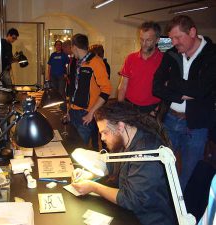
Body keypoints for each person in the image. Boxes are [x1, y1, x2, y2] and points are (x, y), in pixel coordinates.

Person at [71, 101, 176, 225]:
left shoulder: (147, 151)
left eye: (105, 132)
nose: (102, 138)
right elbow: (110, 165)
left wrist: (93, 186)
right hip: (130, 214)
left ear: (120, 126)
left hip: (149, 219)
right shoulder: (123, 141)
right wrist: (89, 175)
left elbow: (131, 199)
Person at [152, 15, 216, 190]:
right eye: (171, 38)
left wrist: (171, 84)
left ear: (193, 32)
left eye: (178, 37)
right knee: (162, 166)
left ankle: (180, 210)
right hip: (170, 119)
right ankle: (162, 202)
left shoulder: (212, 54)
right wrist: (182, 95)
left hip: (196, 125)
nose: (174, 42)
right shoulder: (171, 54)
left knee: (188, 171)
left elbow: (202, 90)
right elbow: (156, 87)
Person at [68, 33, 112, 150]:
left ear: (74, 47)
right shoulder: (77, 62)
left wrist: (91, 113)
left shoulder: (96, 62)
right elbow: (74, 88)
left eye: (71, 48)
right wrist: (69, 109)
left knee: (80, 149)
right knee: (72, 147)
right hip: (74, 112)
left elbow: (107, 89)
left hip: (85, 114)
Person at [118, 21, 163, 114]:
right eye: (141, 39)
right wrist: (120, 106)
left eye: (148, 40)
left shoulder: (164, 60)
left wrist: (158, 108)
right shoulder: (130, 58)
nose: (144, 43)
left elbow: (167, 87)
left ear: (157, 40)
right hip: (129, 105)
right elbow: (123, 86)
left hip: (152, 109)